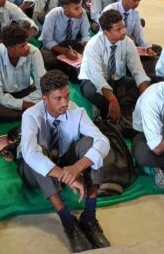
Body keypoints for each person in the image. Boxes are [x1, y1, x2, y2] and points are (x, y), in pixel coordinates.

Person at [18, 70, 110, 252]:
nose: (65, 103)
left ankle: (89, 216)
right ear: (44, 98)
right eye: (58, 98)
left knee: (92, 143)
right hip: (33, 172)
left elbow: (103, 141)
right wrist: (64, 175)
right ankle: (68, 221)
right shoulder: (31, 115)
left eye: (67, 96)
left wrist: (77, 167)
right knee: (38, 152)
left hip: (64, 161)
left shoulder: (77, 111)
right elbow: (30, 154)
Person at [79, 9, 150, 122]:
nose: (124, 31)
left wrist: (147, 99)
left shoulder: (127, 42)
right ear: (106, 32)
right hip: (92, 80)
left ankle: (119, 110)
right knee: (92, 93)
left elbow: (138, 71)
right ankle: (110, 115)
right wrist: (113, 100)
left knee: (141, 86)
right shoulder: (93, 45)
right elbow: (97, 77)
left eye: (123, 27)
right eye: (118, 29)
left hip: (115, 79)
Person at [0, 24, 45, 123]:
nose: (27, 48)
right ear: (10, 48)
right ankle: (22, 114)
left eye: (26, 43)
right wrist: (23, 104)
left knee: (48, 94)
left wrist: (25, 101)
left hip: (26, 90)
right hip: (4, 93)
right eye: (22, 46)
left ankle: (2, 115)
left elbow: (42, 84)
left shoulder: (34, 52)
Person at [40, 0, 90, 71]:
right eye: (76, 8)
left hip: (71, 44)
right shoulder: (52, 15)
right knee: (47, 59)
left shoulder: (82, 13)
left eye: (81, 6)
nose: (81, 10)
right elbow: (47, 42)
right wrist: (65, 51)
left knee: (88, 56)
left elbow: (86, 35)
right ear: (66, 11)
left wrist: (87, 49)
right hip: (55, 47)